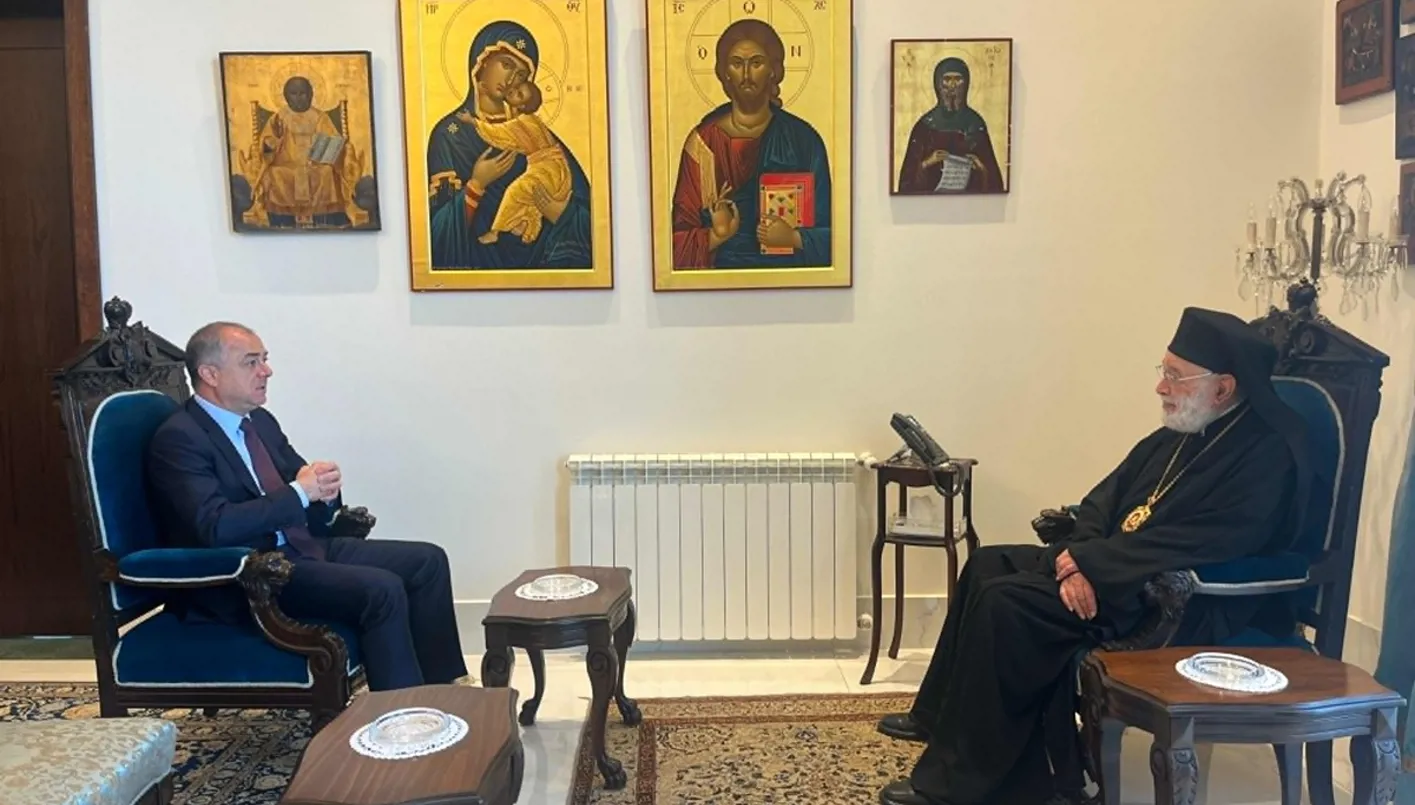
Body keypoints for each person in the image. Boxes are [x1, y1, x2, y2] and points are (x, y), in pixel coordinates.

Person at [877, 307, 1311, 805]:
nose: (1161, 387)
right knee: (986, 564)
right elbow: (1104, 499)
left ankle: (962, 783)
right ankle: (938, 717)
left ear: (1223, 388)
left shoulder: (1269, 452)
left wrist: (1092, 566)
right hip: (1117, 568)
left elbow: (1208, 542)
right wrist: (1076, 555)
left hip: (1176, 599)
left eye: (1175, 376)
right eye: (1163, 371)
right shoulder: (1180, 433)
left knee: (1007, 605)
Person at [145, 322, 469, 692]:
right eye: (251, 362)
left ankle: (445, 689)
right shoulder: (180, 438)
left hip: (302, 546)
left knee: (428, 561)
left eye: (264, 359)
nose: (266, 371)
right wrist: (300, 492)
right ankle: (401, 712)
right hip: (252, 573)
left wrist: (324, 491)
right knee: (382, 589)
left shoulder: (259, 422)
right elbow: (215, 526)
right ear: (210, 374)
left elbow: (301, 489)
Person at [427, 20, 593, 270]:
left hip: (538, 265)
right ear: (482, 62)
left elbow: (590, 219)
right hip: (477, 265)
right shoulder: (450, 135)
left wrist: (558, 212)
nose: (512, 79)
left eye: (522, 75)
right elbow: (436, 233)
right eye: (506, 64)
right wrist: (476, 185)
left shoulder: (536, 134)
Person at [670, 18, 832, 269]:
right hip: (720, 282)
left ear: (773, 70)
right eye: (737, 63)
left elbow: (836, 236)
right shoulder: (703, 145)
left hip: (789, 280)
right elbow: (674, 245)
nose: (746, 75)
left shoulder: (804, 141)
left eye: (756, 63)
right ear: (724, 72)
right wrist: (717, 235)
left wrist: (794, 238)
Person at [475, 81, 572, 246]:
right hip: (553, 169)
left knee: (516, 191)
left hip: (548, 169)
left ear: (522, 106)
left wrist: (474, 122)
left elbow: (499, 133)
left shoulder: (524, 122)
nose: (513, 91)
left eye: (519, 94)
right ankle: (526, 223)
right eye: (517, 88)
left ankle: (496, 231)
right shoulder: (530, 120)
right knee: (530, 197)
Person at [251, 76, 354, 228]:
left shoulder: (320, 117)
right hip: (286, 165)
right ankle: (282, 220)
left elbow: (333, 142)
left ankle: (326, 219)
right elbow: (266, 148)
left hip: (315, 165)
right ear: (286, 97)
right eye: (294, 94)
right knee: (276, 174)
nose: (299, 98)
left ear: (311, 95)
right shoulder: (279, 117)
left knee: (326, 172)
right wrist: (275, 139)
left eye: (303, 93)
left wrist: (319, 156)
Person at [896, 57, 1005, 194]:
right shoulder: (925, 126)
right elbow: (906, 183)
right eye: (947, 79)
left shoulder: (975, 123)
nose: (952, 85)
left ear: (966, 83)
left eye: (958, 79)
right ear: (938, 83)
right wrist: (927, 163)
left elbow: (995, 183)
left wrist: (981, 167)